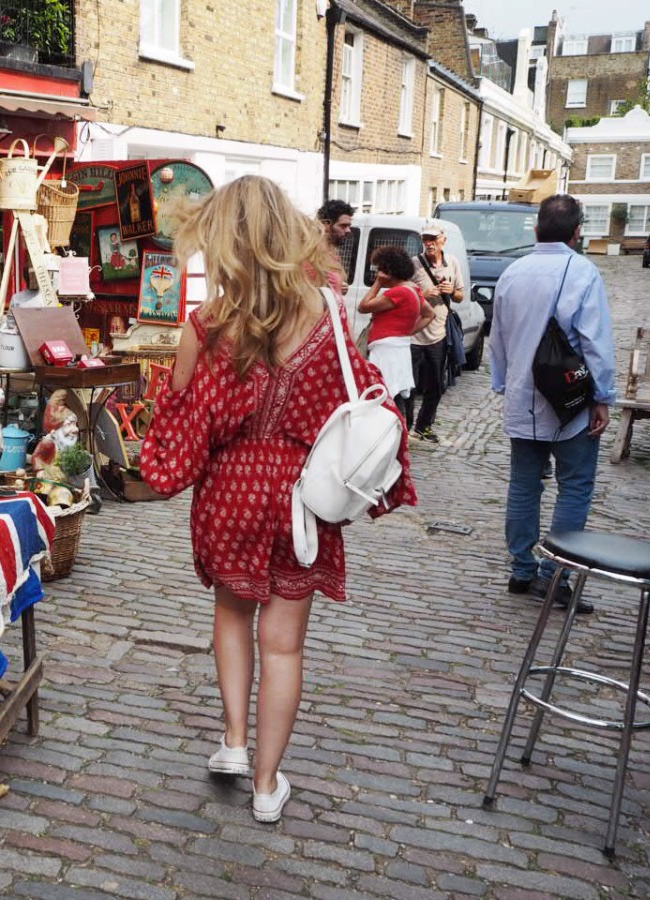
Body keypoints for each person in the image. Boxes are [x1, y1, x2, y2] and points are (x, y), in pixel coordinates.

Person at [139, 176, 416, 824]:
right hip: (304, 501)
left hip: (231, 497)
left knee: (232, 616)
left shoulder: (204, 328)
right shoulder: (325, 316)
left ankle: (234, 742)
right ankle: (267, 787)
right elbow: (361, 401)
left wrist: (150, 459)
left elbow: (179, 439)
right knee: (284, 646)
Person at [490, 194, 615, 614]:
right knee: (574, 486)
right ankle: (555, 576)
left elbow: (499, 337)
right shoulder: (582, 271)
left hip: (525, 395)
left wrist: (504, 383)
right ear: (578, 232)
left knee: (525, 484)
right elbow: (595, 341)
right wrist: (603, 397)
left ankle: (522, 569)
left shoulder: (512, 272)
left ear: (538, 228)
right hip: (570, 400)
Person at [359, 246, 435, 424]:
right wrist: (408, 332)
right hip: (398, 345)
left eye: (380, 269)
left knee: (384, 391)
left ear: (389, 271)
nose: (378, 272)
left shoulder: (399, 292)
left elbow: (363, 306)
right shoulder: (413, 290)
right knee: (396, 393)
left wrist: (377, 283)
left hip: (386, 348)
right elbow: (429, 314)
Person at [409, 226, 466, 442]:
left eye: (433, 239)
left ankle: (424, 426)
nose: (429, 243)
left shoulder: (452, 262)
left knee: (436, 385)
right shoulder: (414, 263)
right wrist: (422, 294)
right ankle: (406, 425)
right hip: (414, 334)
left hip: (439, 334)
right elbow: (403, 293)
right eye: (425, 239)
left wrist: (451, 291)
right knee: (410, 386)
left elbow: (460, 296)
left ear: (443, 240)